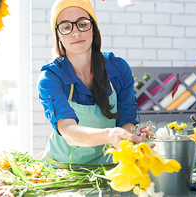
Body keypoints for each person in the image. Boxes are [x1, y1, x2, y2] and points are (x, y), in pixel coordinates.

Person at [37, 0, 146, 166]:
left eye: (83, 23)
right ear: (58, 35)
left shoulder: (118, 68)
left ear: (93, 29)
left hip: (108, 169)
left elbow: (127, 120)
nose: (76, 33)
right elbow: (69, 131)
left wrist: (128, 142)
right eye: (66, 27)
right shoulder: (51, 77)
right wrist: (109, 134)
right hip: (61, 170)